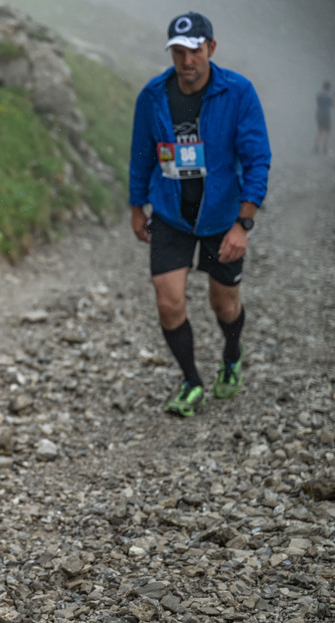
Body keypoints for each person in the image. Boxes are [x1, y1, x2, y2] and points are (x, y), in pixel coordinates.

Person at [128, 12, 271, 417]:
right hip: (172, 215)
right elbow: (141, 155)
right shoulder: (153, 96)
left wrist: (243, 223)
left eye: (194, 51)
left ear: (210, 48)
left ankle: (231, 354)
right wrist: (137, 206)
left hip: (222, 217)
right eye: (178, 51)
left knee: (224, 304)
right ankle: (191, 382)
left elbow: (257, 159)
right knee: (168, 301)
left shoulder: (239, 92)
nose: (186, 60)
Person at [315, 80, 331, 155]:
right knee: (327, 132)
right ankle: (325, 148)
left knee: (319, 131)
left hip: (319, 114)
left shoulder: (318, 95)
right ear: (328, 88)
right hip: (326, 115)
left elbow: (318, 102)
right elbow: (332, 106)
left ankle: (316, 147)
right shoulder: (328, 97)